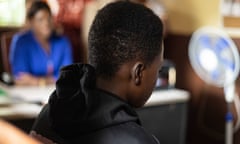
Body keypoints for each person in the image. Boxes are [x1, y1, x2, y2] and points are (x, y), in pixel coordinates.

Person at [31, 1, 164, 144]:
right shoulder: (139, 141)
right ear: (138, 73)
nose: (157, 77)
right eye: (158, 69)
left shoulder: (49, 113)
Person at [9, 1, 73, 86]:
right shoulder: (21, 42)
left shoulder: (63, 42)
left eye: (49, 18)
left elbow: (69, 75)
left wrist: (37, 81)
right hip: (29, 94)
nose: (46, 23)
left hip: (57, 93)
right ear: (31, 22)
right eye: (40, 19)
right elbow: (20, 78)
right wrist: (53, 79)